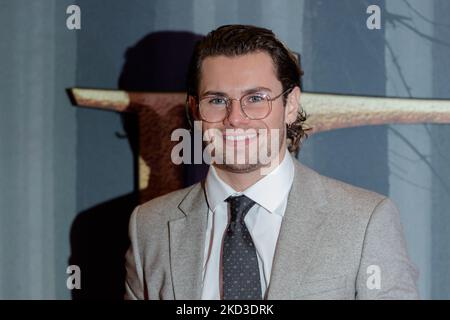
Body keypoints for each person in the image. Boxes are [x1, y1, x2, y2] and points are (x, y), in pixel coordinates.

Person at [124, 24, 419, 300]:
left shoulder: (365, 222)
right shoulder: (149, 227)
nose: (235, 119)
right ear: (194, 110)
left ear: (290, 105)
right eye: (217, 100)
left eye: (255, 98)